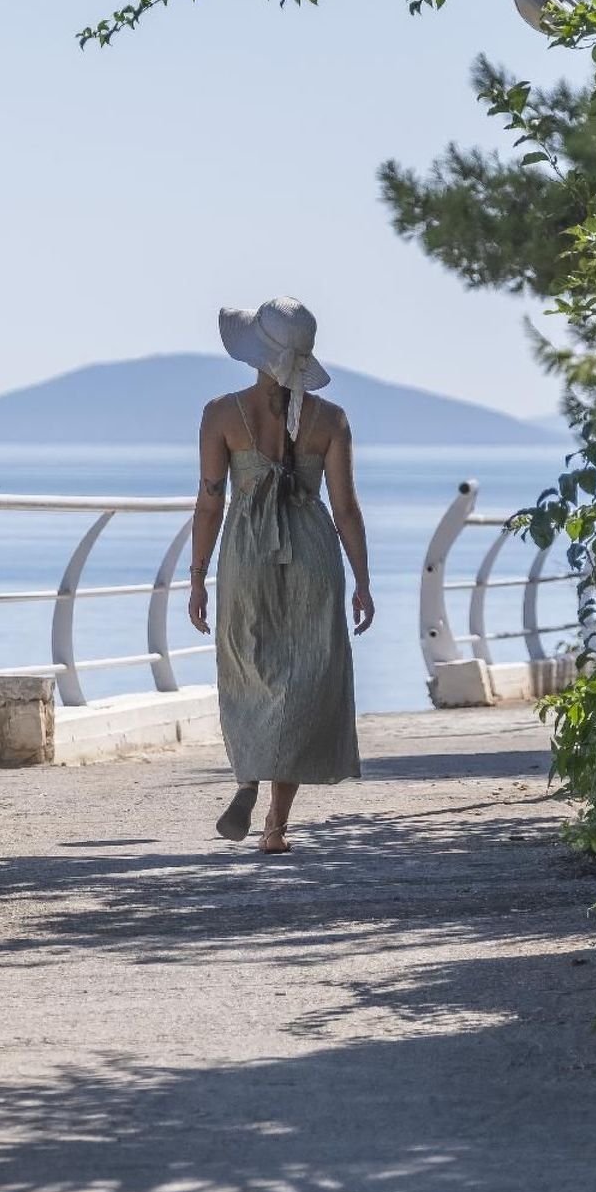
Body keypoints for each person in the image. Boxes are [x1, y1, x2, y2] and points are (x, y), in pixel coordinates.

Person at [187, 296, 371, 854]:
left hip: (247, 552)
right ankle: (275, 826)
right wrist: (362, 581)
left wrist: (196, 575)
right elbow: (346, 509)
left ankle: (248, 774)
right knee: (303, 679)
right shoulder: (330, 419)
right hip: (314, 551)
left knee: (247, 666)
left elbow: (210, 502)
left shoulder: (222, 412)